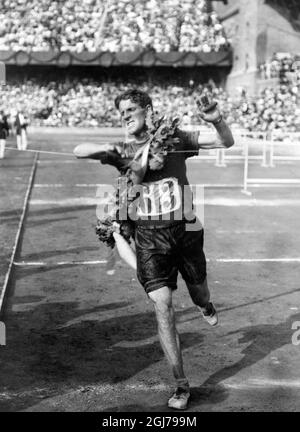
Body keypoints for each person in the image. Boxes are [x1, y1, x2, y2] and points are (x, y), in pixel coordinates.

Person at [74, 89, 234, 410]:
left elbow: (224, 142)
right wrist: (111, 150)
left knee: (200, 294)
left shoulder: (173, 138)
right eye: (121, 111)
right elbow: (79, 150)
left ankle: (205, 305)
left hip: (186, 231)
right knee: (163, 306)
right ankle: (181, 384)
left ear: (148, 109)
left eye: (131, 108)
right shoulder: (124, 151)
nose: (125, 115)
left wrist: (217, 120)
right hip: (150, 240)